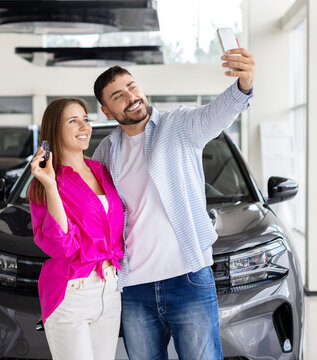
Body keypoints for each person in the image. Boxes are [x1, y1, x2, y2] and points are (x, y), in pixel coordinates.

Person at [92, 48, 256, 359]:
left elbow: (218, 111)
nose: (131, 96)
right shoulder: (106, 152)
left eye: (132, 86)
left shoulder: (179, 125)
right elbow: (95, 213)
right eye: (118, 95)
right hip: (134, 288)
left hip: (188, 279)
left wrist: (244, 83)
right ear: (107, 111)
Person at [28, 97, 124, 360]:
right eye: (73, 121)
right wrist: (50, 184)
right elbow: (61, 245)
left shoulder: (102, 171)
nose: (84, 126)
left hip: (110, 288)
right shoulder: (45, 183)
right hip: (71, 293)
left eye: (86, 119)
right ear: (53, 131)